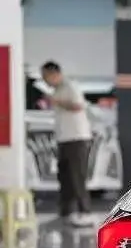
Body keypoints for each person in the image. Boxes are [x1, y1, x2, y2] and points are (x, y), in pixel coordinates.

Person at [40, 61, 94, 226]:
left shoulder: (70, 86)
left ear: (54, 74)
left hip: (77, 139)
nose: (44, 80)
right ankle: (67, 212)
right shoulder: (57, 90)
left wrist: (57, 102)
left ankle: (85, 212)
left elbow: (78, 106)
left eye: (45, 76)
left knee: (77, 176)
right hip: (64, 139)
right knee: (65, 177)